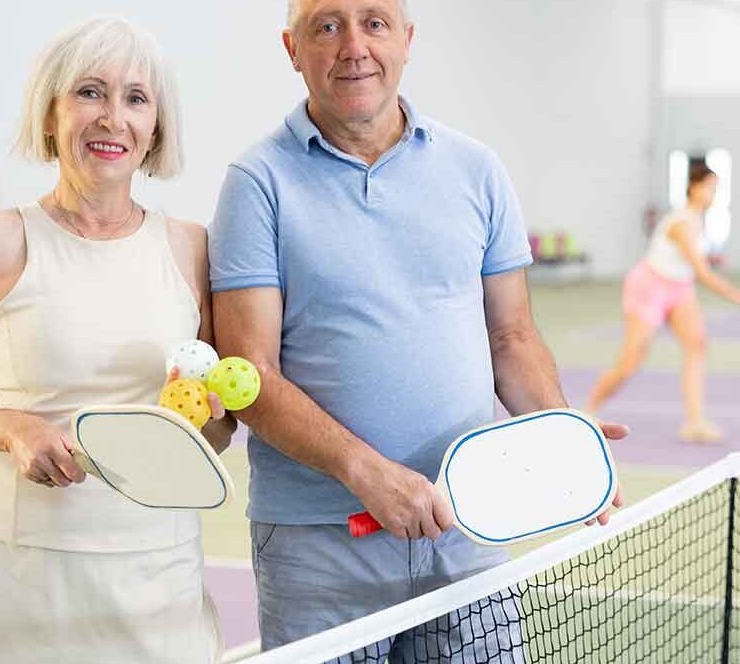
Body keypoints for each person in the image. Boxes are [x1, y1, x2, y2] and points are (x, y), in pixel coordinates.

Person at [208, 0, 626, 659]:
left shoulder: (477, 168)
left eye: (374, 22)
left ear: (406, 39)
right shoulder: (256, 184)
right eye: (327, 25)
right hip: (318, 545)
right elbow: (249, 374)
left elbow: (511, 338)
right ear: (292, 49)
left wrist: (560, 437)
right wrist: (367, 473)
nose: (354, 45)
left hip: (467, 529)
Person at [0, 16, 233, 664]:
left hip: (157, 577)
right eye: (90, 92)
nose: (113, 117)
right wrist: (12, 428)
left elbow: (214, 434)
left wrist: (212, 417)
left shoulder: (191, 248)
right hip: (20, 581)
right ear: (51, 115)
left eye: (135, 99)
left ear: (155, 131)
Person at [585, 163, 740, 443]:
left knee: (696, 345)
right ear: (693, 187)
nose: (712, 193)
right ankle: (587, 412)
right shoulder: (681, 223)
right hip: (649, 285)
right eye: (708, 186)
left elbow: (691, 265)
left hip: (679, 287)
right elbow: (702, 273)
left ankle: (694, 421)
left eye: (716, 187)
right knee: (630, 361)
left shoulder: (698, 219)